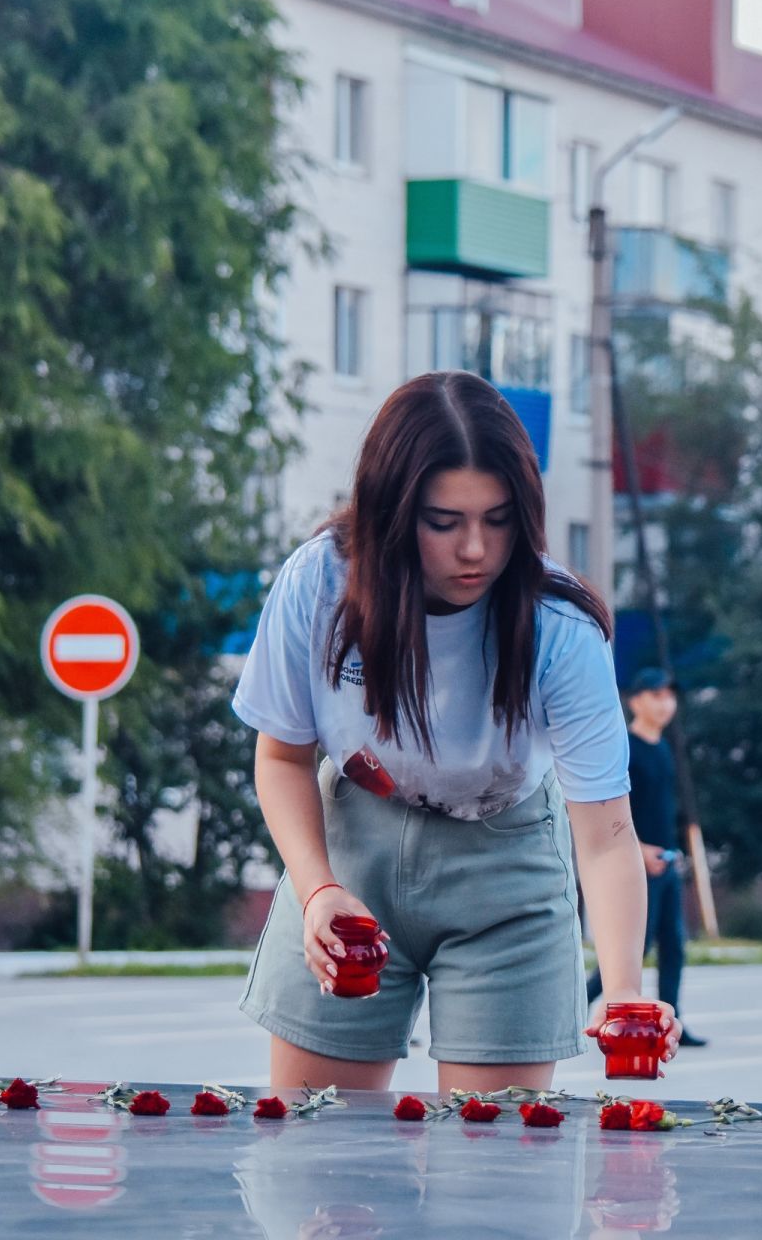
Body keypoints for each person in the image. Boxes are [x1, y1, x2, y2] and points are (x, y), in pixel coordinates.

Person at [231, 371, 678, 1095]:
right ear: (392, 513)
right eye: (444, 522)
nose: (476, 549)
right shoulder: (319, 584)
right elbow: (281, 756)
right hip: (351, 859)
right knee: (320, 1169)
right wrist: (318, 892)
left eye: (498, 519)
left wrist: (623, 987)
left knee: (494, 1181)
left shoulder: (561, 628)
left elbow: (606, 833)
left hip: (505, 871)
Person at [585, 667, 707, 1047]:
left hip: (667, 861)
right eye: (656, 695)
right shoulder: (626, 747)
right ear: (635, 700)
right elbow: (610, 812)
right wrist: (638, 849)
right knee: (630, 950)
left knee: (674, 944)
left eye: (670, 695)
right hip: (635, 862)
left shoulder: (663, 748)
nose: (666, 703)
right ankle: (571, 1009)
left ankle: (674, 1022)